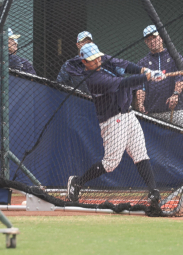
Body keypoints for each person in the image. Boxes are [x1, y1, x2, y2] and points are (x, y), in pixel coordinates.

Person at [66, 43, 165, 209]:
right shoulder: (93, 79)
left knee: (140, 153)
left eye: (98, 57)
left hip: (128, 114)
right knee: (111, 163)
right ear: (84, 62)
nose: (97, 61)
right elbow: (122, 83)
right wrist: (147, 77)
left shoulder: (104, 60)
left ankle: (153, 191)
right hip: (112, 119)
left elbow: (126, 65)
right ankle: (77, 182)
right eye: (92, 60)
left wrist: (143, 71)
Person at [136, 25, 183, 128]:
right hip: (153, 113)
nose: (152, 41)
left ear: (162, 38)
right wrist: (140, 104)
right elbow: (140, 87)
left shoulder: (174, 56)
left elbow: (180, 79)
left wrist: (175, 94)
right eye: (148, 39)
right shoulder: (142, 63)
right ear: (146, 42)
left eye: (154, 37)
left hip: (175, 111)